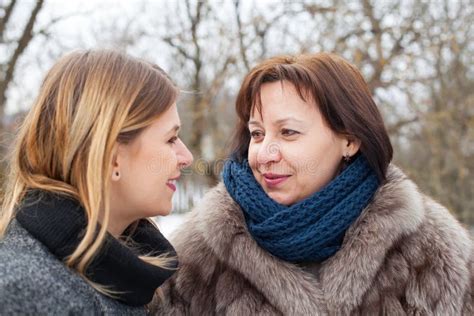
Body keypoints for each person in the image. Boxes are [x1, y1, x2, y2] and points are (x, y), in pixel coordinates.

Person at [158, 53, 473, 315]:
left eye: (289, 133)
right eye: (257, 134)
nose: (265, 154)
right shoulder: (196, 257)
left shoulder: (436, 254)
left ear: (350, 140)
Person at [0, 50, 193, 314]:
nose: (187, 157)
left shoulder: (128, 280)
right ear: (112, 157)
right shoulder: (25, 294)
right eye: (170, 139)